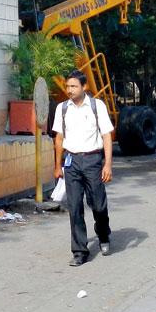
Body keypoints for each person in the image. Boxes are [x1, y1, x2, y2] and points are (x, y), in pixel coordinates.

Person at [52, 70, 114, 266]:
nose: (69, 90)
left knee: (98, 204)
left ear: (84, 87)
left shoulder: (97, 106)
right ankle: (80, 251)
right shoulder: (62, 109)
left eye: (74, 86)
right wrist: (57, 166)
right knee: (75, 207)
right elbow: (59, 139)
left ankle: (103, 234)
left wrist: (108, 164)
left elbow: (106, 136)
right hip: (71, 163)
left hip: (93, 161)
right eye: (68, 87)